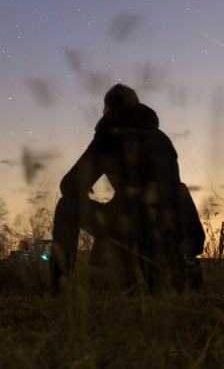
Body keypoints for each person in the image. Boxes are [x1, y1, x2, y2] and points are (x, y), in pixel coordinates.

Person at [50, 84, 189, 293]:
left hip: (130, 226)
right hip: (170, 231)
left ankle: (58, 287)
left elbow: (69, 185)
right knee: (116, 209)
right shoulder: (162, 138)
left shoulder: (110, 133)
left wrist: (84, 188)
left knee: (67, 206)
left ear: (108, 107)